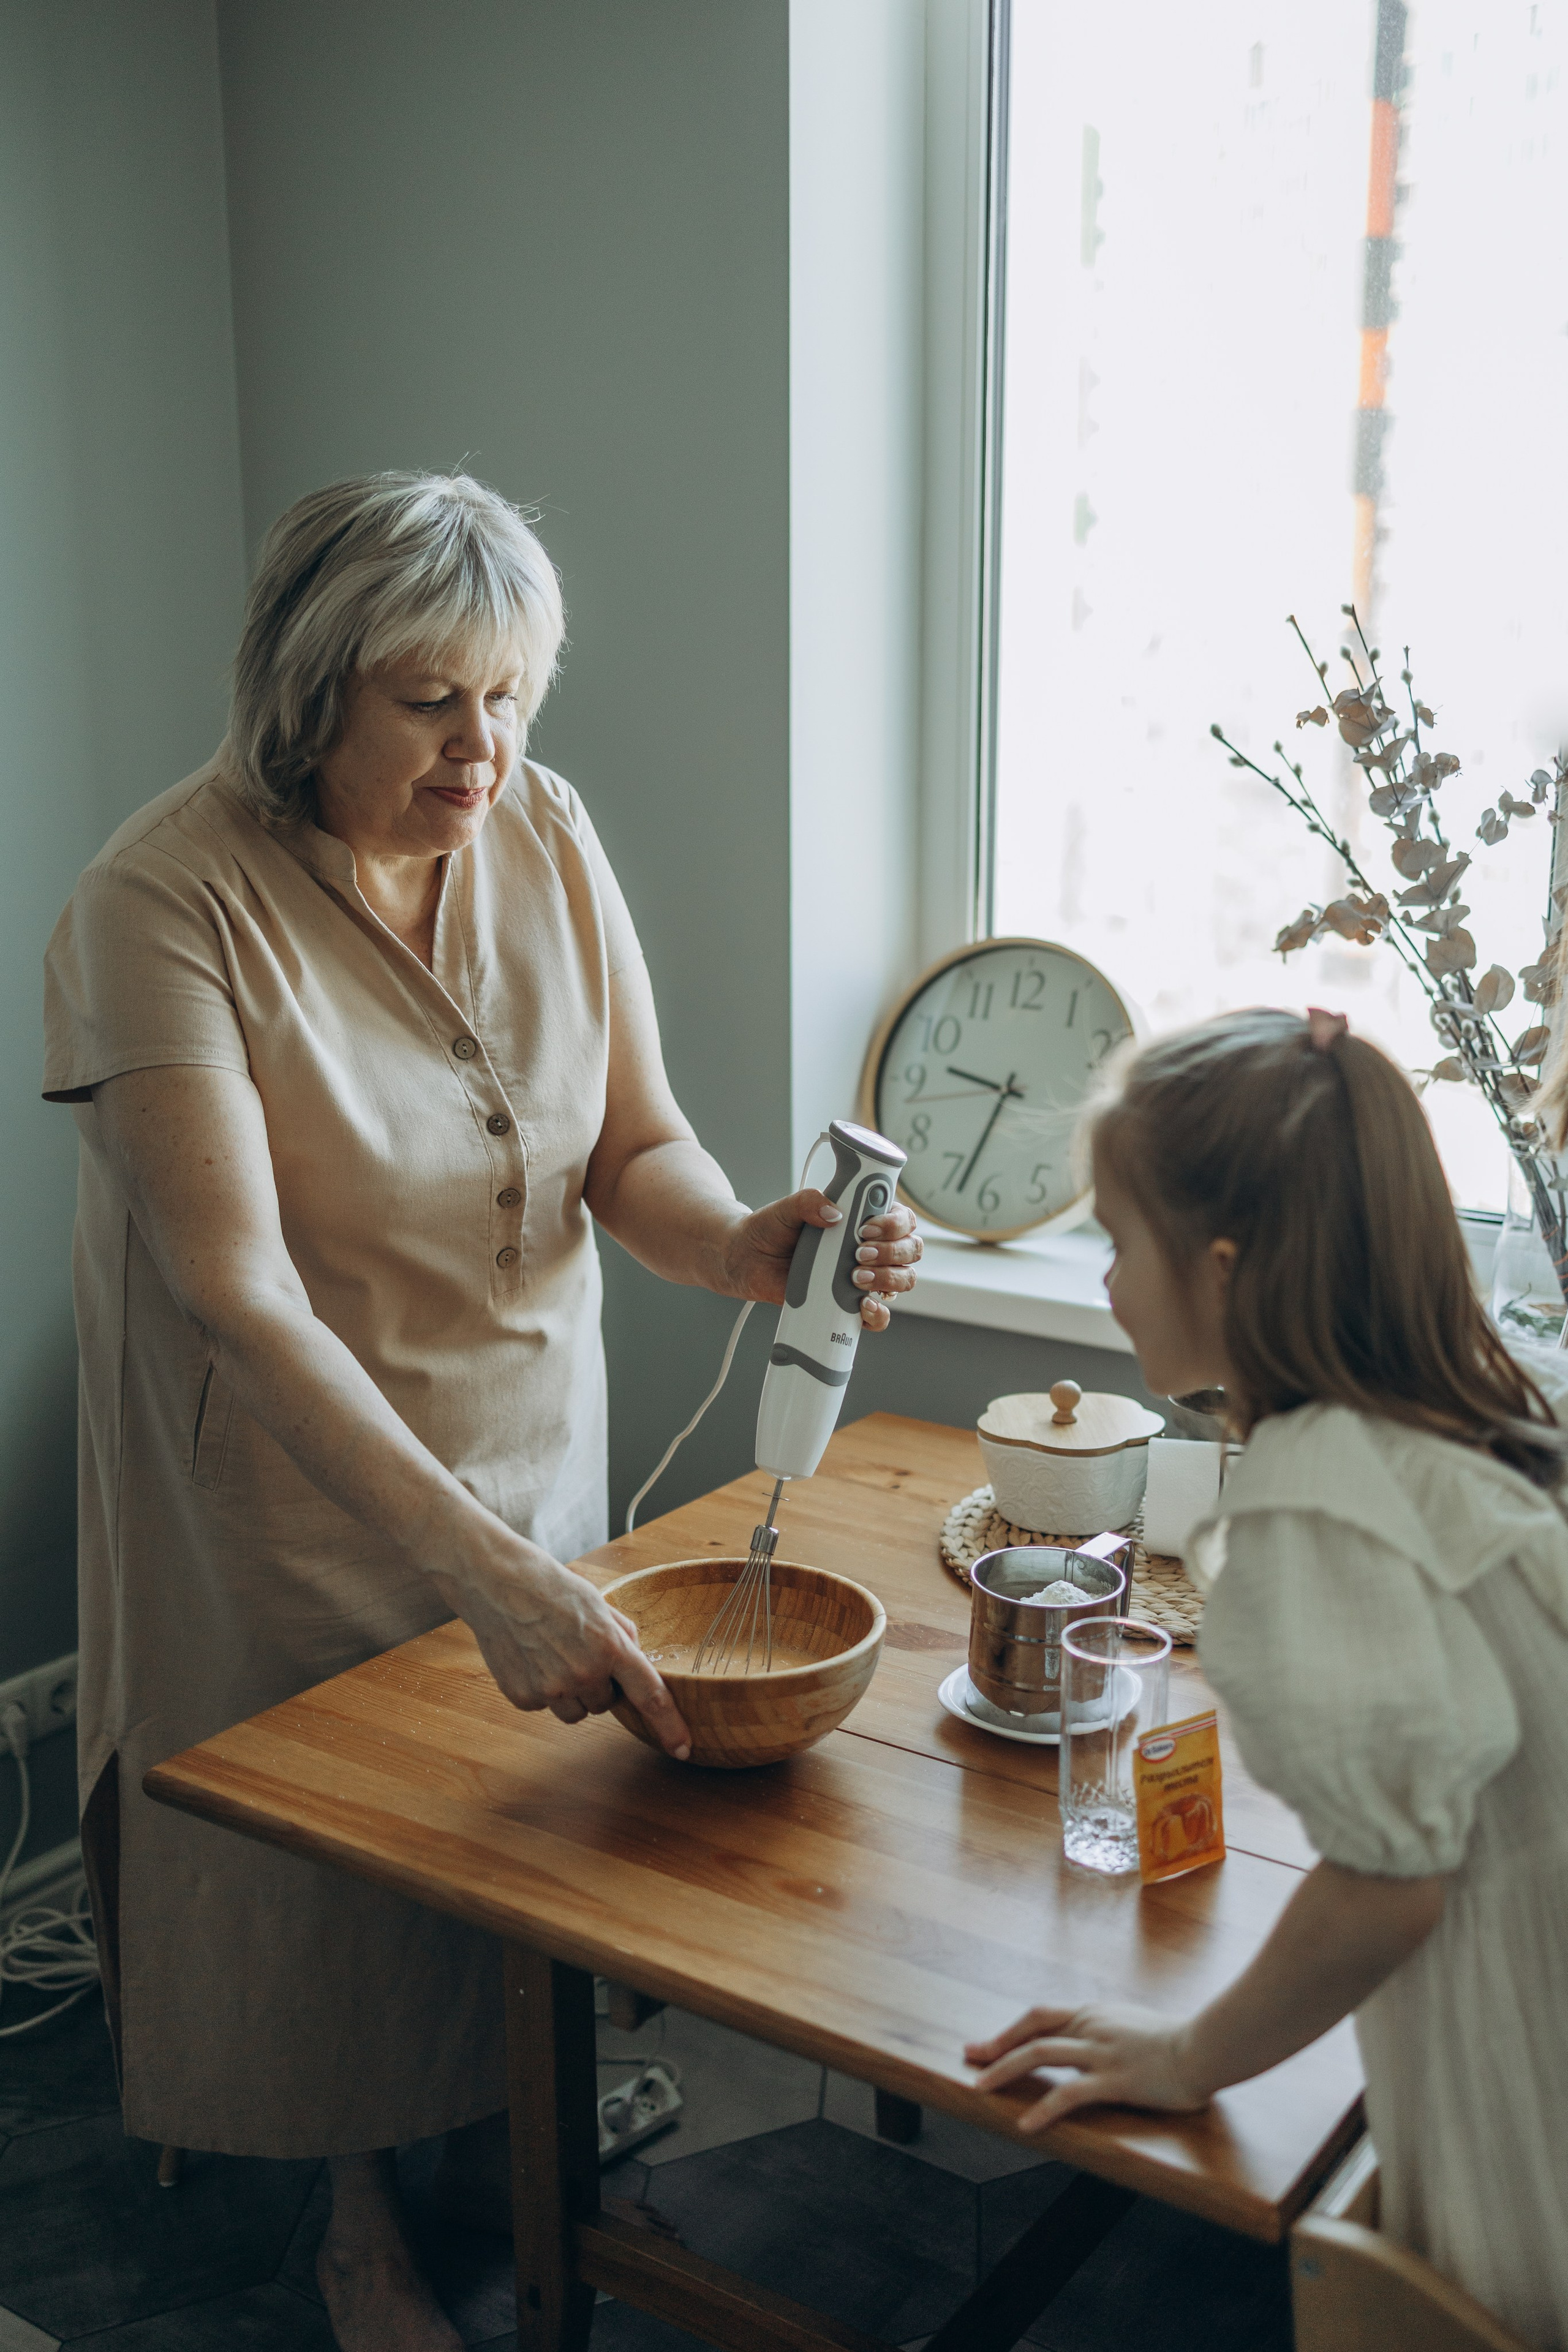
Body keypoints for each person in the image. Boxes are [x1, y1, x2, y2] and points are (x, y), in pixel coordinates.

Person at [42, 470, 921, 2352]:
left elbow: (638, 1145)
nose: (486, 748)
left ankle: (505, 2131)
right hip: (290, 1477)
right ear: (313, 691)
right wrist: (477, 1562)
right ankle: (354, 2220)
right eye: (433, 700)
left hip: (532, 1429)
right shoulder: (157, 902)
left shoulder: (547, 832)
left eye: (513, 695)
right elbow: (239, 1291)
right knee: (328, 1871)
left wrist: (755, 1247)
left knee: (505, 1820)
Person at [966, 1008, 1568, 2350]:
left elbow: (1387, 1886)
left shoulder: (1313, 1517)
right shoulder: (1488, 1408)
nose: (1108, 1284)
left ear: (1224, 1273)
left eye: (1120, 1244)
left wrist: (1190, 2054)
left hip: (1522, 2090)